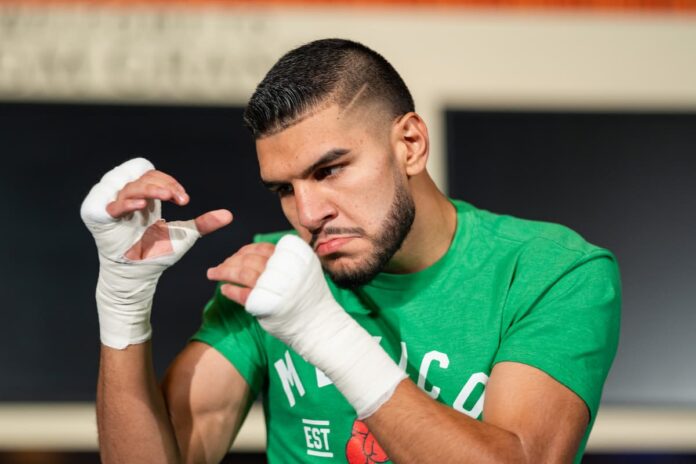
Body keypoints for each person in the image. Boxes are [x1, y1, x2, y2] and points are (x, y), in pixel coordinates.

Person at [80, 38, 621, 464]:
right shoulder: (272, 276)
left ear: (409, 144)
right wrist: (122, 301)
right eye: (285, 189)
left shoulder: (550, 271)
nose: (308, 213)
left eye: (329, 170)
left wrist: (326, 334)